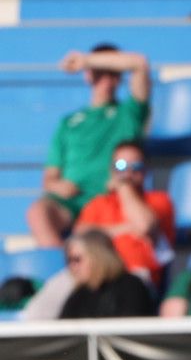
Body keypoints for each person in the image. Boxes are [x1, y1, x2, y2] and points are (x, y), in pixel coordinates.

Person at [28, 46, 151, 248]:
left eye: (113, 73)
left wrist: (87, 60)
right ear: (88, 77)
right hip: (71, 203)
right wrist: (59, 186)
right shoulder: (69, 123)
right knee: (38, 212)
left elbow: (140, 64)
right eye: (100, 73)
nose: (107, 80)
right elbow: (49, 178)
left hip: (110, 199)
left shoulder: (128, 114)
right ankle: (62, 268)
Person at [72, 141, 173, 284]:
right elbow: (79, 237)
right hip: (95, 274)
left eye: (136, 166)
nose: (128, 172)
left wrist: (123, 187)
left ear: (146, 170)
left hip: (135, 276)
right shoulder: (98, 203)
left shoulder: (159, 200)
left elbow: (144, 226)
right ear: (112, 169)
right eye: (121, 166)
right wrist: (126, 228)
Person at [59, 229, 153, 319]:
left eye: (77, 259)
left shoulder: (131, 287)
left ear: (97, 257)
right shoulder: (79, 295)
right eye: (69, 261)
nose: (72, 267)